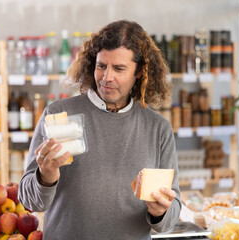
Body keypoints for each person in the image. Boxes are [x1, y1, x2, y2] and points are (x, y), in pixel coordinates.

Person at [18, 20, 181, 239]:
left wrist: (161, 212)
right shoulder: (59, 115)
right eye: (101, 66)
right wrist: (45, 177)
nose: (106, 77)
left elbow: (169, 219)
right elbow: (29, 201)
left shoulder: (157, 128)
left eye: (119, 69)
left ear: (140, 71)